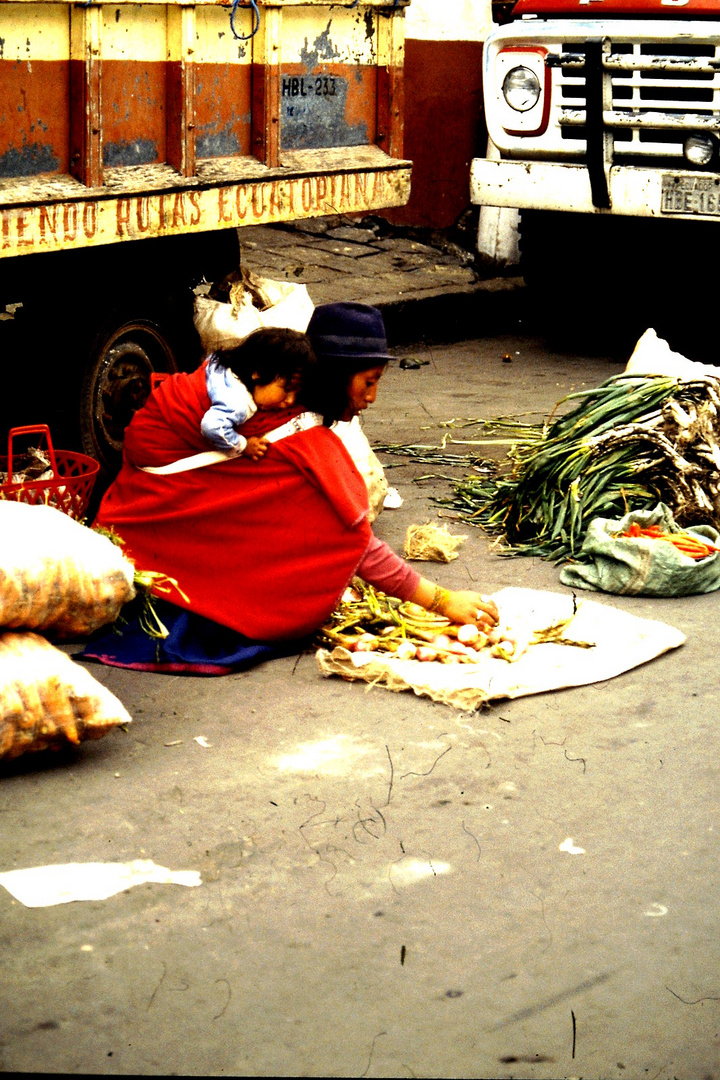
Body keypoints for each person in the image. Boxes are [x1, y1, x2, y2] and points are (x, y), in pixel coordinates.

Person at [83, 302, 498, 674]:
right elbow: (355, 541)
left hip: (135, 516)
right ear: (336, 375)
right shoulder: (292, 431)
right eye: (368, 382)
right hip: (148, 538)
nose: (372, 397)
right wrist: (442, 602)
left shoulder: (281, 402)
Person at [200, 329, 311, 462]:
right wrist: (244, 445)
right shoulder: (239, 403)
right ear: (258, 373)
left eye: (296, 393)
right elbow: (212, 427)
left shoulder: (221, 364)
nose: (291, 401)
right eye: (287, 389)